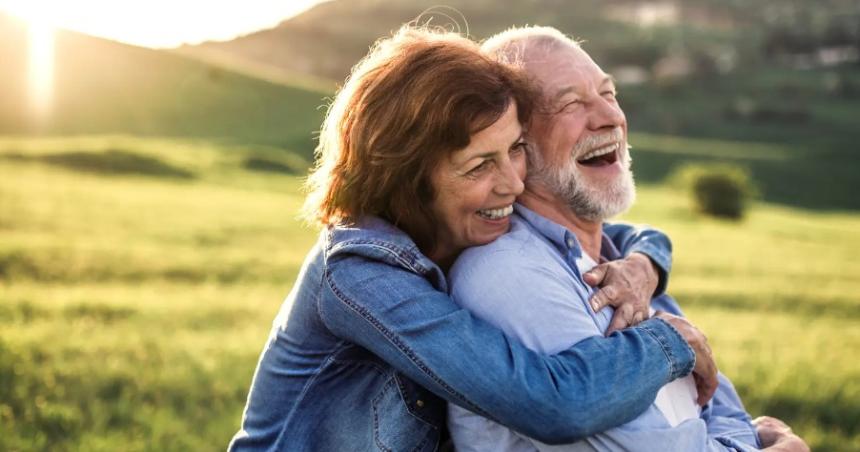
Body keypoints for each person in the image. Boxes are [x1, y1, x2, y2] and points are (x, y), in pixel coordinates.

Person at [228, 25, 719, 452]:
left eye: (515, 150)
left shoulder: (455, 229)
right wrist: (669, 339)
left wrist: (644, 265)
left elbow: (622, 234)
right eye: (481, 165)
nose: (512, 182)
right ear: (408, 179)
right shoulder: (359, 276)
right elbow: (551, 404)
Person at [447, 26, 810, 452]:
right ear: (514, 143)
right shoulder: (510, 274)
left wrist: (742, 438)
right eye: (571, 104)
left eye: (609, 94)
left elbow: (711, 402)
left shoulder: (627, 267)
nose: (610, 118)